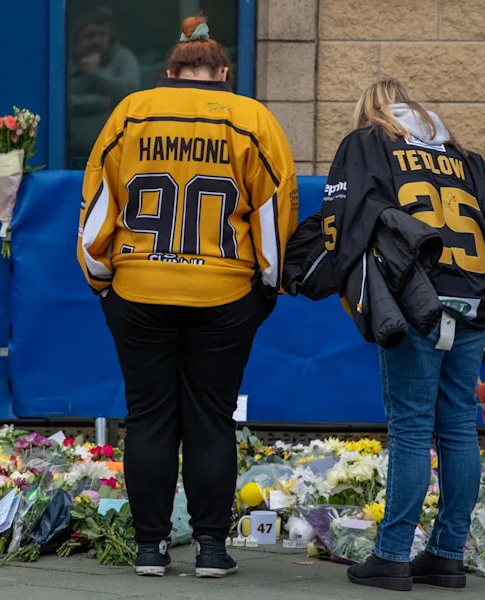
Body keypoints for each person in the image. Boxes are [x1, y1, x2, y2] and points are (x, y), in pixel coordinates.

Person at [77, 16, 298, 579]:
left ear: (169, 72)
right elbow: (274, 215)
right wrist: (265, 286)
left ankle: (150, 547)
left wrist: (102, 279)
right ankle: (210, 549)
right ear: (222, 72)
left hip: (139, 289)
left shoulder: (130, 111)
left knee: (148, 417)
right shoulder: (252, 118)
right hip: (225, 293)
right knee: (211, 419)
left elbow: (99, 207)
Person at [320, 79, 485, 591]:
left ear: (372, 111)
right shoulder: (465, 156)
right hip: (472, 303)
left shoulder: (367, 143)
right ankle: (448, 553)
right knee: (456, 427)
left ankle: (391, 556)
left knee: (410, 427)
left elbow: (342, 221)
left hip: (416, 299)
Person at [67, 8, 141, 169]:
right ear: (76, 38)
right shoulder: (63, 59)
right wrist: (100, 101)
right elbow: (62, 100)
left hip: (113, 151)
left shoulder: (122, 58)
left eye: (102, 35)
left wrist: (96, 75)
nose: (97, 40)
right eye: (90, 35)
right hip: (68, 151)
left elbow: (131, 92)